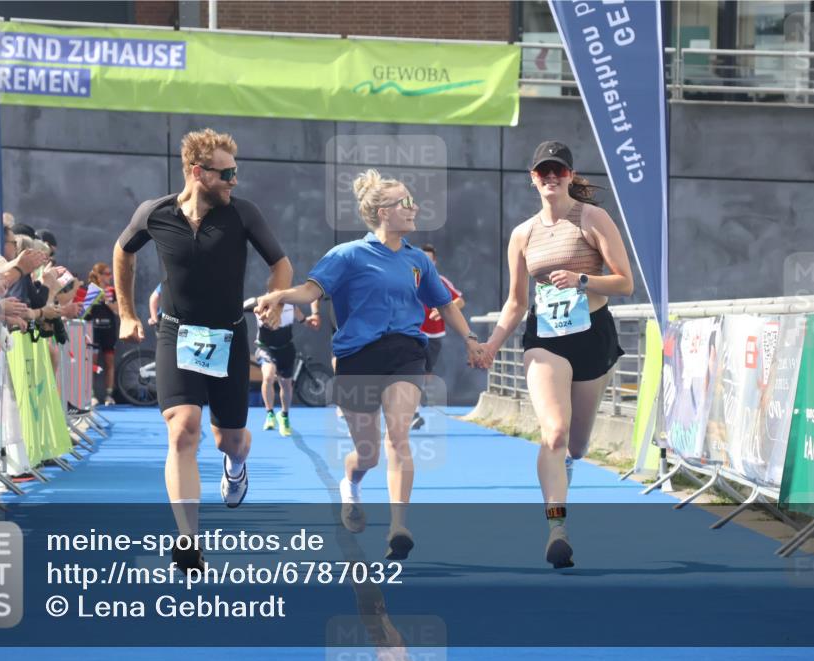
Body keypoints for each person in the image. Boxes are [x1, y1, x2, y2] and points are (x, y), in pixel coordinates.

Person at [256, 169, 486, 560]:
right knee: (368, 453)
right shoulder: (347, 255)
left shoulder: (418, 260)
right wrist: (281, 294)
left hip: (405, 353)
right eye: (405, 203)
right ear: (382, 212)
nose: (414, 208)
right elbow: (311, 290)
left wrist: (471, 339)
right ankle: (352, 483)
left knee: (399, 435)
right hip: (357, 356)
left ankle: (398, 526)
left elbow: (444, 303)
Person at [114, 128, 292, 572]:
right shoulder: (153, 213)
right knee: (182, 429)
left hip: (227, 338)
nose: (234, 180)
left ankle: (236, 467)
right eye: (226, 173)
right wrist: (127, 313)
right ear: (198, 172)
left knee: (229, 440)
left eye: (235, 172)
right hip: (177, 335)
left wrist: (274, 297)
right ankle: (188, 540)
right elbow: (123, 252)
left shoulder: (243, 214)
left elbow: (281, 264)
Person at [479, 141, 634, 569]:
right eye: (543, 172)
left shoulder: (591, 218)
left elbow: (625, 283)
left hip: (592, 335)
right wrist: (491, 345)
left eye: (558, 172)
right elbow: (514, 301)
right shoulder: (523, 234)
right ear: (533, 178)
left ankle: (568, 467)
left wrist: (582, 280)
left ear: (569, 176)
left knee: (579, 446)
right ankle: (557, 527)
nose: (551, 178)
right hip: (545, 338)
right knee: (554, 432)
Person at [411, 243, 465, 430]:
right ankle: (413, 410)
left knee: (425, 373)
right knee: (413, 370)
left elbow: (459, 301)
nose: (426, 261)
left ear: (434, 261)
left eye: (429, 258)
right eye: (423, 258)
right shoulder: (410, 279)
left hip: (434, 335)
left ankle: (417, 398)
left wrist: (442, 311)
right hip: (413, 334)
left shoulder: (441, 281)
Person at [253, 300, 315, 437]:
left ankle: (284, 416)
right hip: (266, 349)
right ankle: (270, 414)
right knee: (268, 376)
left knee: (286, 384)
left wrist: (310, 321)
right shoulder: (259, 304)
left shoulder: (292, 305)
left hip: (286, 350)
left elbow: (303, 320)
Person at [84, 262, 119, 406]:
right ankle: (91, 395)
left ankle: (109, 395)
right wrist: (94, 299)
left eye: (110, 274)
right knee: (92, 363)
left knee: (110, 362)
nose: (110, 277)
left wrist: (106, 300)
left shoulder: (112, 291)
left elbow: (117, 310)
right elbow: (84, 312)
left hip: (109, 330)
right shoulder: (90, 290)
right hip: (93, 330)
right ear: (98, 276)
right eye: (107, 274)